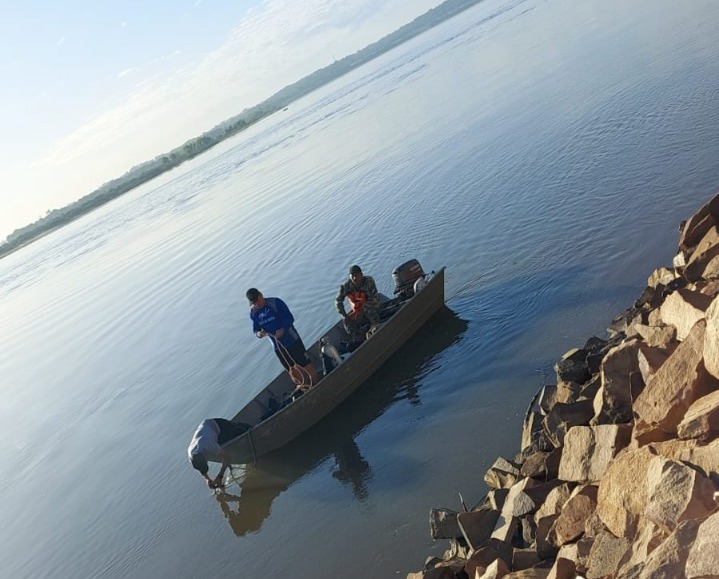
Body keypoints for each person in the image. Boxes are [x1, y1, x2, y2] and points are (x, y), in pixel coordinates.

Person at [246, 288, 320, 386]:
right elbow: (256, 330)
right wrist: (260, 333)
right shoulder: (253, 313)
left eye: (257, 301)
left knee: (305, 364)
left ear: (261, 295)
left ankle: (318, 382)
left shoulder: (275, 302)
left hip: (292, 340)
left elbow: (289, 318)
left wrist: (282, 329)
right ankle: (306, 387)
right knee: (292, 370)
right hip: (278, 347)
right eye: (253, 303)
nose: (256, 305)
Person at [187, 418, 249, 488]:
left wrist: (220, 476)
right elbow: (201, 468)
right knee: (223, 447)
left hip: (216, 424)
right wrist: (207, 479)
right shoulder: (191, 456)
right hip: (211, 436)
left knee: (241, 429)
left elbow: (227, 457)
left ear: (204, 456)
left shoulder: (206, 444)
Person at [335, 265, 381, 343]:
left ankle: (376, 327)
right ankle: (358, 338)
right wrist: (345, 315)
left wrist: (362, 310)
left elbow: (374, 299)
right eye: (352, 276)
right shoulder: (346, 286)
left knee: (368, 309)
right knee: (346, 320)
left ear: (361, 274)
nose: (355, 278)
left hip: (372, 306)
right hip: (358, 310)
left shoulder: (368, 281)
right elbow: (338, 301)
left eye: (357, 275)